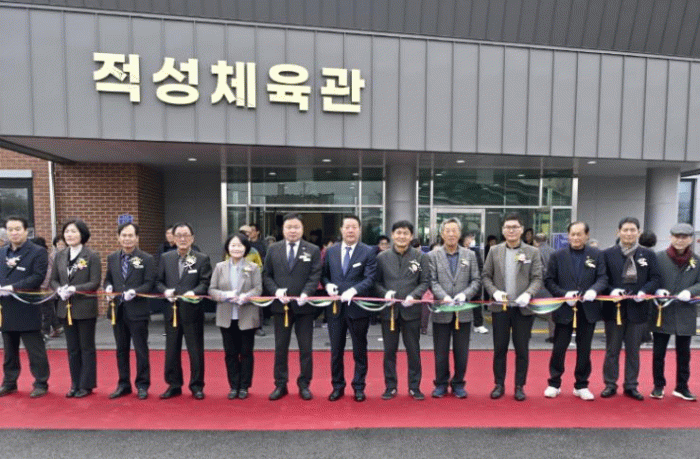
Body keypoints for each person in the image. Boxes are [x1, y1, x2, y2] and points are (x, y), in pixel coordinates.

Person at [543, 221, 608, 401]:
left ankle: (581, 385)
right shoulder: (557, 256)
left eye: (580, 234)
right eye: (573, 234)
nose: (576, 237)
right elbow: (549, 281)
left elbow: (603, 277)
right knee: (559, 347)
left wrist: (594, 290)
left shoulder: (597, 254)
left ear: (587, 235)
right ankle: (554, 383)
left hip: (588, 308)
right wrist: (564, 294)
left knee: (584, 349)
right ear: (568, 235)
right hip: (565, 308)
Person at [482, 213, 543, 401]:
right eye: (508, 227)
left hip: (523, 309)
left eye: (515, 227)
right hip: (501, 308)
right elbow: (486, 276)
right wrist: (494, 292)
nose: (511, 230)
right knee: (499, 348)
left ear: (521, 229)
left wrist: (529, 294)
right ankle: (499, 384)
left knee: (522, 349)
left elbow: (537, 278)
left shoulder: (532, 252)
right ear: (502, 230)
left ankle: (519, 386)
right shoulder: (494, 251)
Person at [263, 213, 321, 401]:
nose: (292, 231)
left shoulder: (312, 249)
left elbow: (315, 275)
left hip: (304, 308)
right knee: (280, 347)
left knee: (306, 348)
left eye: (296, 227)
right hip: (281, 307)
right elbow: (266, 275)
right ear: (283, 229)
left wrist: (307, 293)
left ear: (302, 229)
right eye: (289, 227)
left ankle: (304, 384)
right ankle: (280, 384)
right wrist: (275, 291)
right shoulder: (273, 249)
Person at [601, 217, 661, 401]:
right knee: (612, 350)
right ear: (618, 232)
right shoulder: (607, 254)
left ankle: (631, 385)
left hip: (638, 308)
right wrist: (612, 290)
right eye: (625, 230)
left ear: (638, 232)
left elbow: (655, 278)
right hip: (615, 310)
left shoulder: (648, 254)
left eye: (632, 230)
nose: (628, 233)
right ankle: (610, 384)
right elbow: (602, 278)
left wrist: (645, 291)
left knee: (633, 351)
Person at [321, 216, 377, 402]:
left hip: (357, 309)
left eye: (354, 227)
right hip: (335, 309)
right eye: (347, 227)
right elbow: (324, 275)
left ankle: (359, 386)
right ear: (341, 230)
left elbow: (370, 278)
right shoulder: (331, 251)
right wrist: (328, 285)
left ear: (359, 230)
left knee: (359, 349)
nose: (350, 230)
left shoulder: (368, 251)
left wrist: (354, 290)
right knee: (336, 350)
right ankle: (337, 386)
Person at [156, 222, 212, 400]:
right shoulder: (165, 258)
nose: (182, 239)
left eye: (186, 235)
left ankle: (197, 385)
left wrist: (194, 292)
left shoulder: (201, 258)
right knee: (171, 349)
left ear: (192, 238)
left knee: (195, 350)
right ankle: (174, 384)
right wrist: (165, 291)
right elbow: (158, 281)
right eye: (178, 235)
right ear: (173, 238)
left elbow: (205, 282)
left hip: (192, 311)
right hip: (171, 311)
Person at [375, 220, 430, 400]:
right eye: (398, 233)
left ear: (411, 236)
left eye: (405, 233)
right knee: (389, 351)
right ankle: (390, 386)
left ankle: (414, 387)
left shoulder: (420, 257)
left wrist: (414, 296)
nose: (402, 236)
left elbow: (424, 282)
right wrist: (385, 293)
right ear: (392, 235)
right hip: (389, 313)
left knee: (413, 351)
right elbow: (376, 283)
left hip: (411, 312)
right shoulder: (382, 257)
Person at [428, 218, 481, 398]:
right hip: (442, 311)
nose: (451, 234)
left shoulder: (470, 255)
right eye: (447, 231)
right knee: (440, 352)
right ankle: (441, 383)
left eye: (454, 231)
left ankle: (458, 383)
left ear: (459, 234)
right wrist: (443, 296)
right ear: (442, 234)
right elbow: (432, 281)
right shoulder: (432, 256)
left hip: (463, 311)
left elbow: (476, 280)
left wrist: (465, 295)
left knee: (461, 352)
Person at [103, 222, 155, 400]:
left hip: (138, 311)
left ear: (137, 238)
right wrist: (108, 288)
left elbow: (150, 283)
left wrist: (136, 292)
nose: (127, 239)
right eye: (124, 235)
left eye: (131, 235)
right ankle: (123, 384)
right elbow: (108, 279)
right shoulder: (112, 258)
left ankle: (142, 384)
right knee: (121, 349)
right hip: (117, 310)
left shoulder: (146, 258)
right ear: (118, 237)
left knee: (141, 349)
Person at [50, 219, 101, 398]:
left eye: (73, 231)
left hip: (84, 308)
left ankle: (86, 385)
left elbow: (94, 282)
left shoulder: (91, 256)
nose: (69, 235)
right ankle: (75, 383)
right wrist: (59, 289)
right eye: (67, 232)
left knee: (86, 348)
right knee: (72, 349)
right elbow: (53, 279)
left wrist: (74, 289)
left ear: (82, 234)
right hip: (65, 308)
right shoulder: (60, 255)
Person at [0, 216, 49, 398]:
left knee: (35, 349)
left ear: (26, 231)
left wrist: (13, 288)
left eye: (17, 229)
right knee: (9, 350)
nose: (14, 233)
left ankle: (41, 382)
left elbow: (37, 276)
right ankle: (9, 382)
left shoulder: (37, 252)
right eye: (10, 229)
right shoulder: (2, 252)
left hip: (27, 306)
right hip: (6, 307)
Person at [209, 233, 262, 400]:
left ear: (246, 248)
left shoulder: (253, 267)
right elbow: (212, 289)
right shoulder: (220, 267)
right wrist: (224, 295)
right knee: (230, 353)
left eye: (240, 245)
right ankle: (233, 386)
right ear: (227, 248)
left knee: (246, 352)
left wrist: (246, 297)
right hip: (226, 315)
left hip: (246, 314)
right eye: (233, 245)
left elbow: (258, 289)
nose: (236, 248)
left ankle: (244, 386)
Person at [651, 223, 700, 401]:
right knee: (659, 352)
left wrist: (691, 291)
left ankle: (682, 386)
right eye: (676, 236)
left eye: (684, 237)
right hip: (662, 310)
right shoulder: (658, 258)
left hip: (685, 310)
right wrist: (657, 290)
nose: (680, 240)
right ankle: (658, 385)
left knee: (684, 352)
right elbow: (652, 278)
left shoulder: (697, 260)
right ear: (670, 237)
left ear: (690, 239)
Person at [461, 232, 488, 334]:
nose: (472, 240)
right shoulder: (458, 250)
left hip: (474, 282)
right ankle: (458, 323)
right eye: (470, 238)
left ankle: (478, 325)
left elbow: (480, 266)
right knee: (459, 303)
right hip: (461, 282)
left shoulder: (475, 251)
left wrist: (478, 278)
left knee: (476, 303)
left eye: (473, 238)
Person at [533, 233, 556, 343]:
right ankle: (553, 335)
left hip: (539, 285)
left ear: (535, 241)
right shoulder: (554, 251)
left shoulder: (535, 251)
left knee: (530, 310)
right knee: (552, 312)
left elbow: (537, 269)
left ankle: (525, 333)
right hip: (551, 285)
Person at [40, 236, 63, 339]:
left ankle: (45, 331)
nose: (61, 246)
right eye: (59, 244)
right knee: (49, 308)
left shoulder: (47, 257)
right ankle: (57, 327)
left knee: (47, 309)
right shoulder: (51, 256)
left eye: (62, 244)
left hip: (49, 288)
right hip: (50, 287)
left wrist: (43, 286)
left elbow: (49, 273)